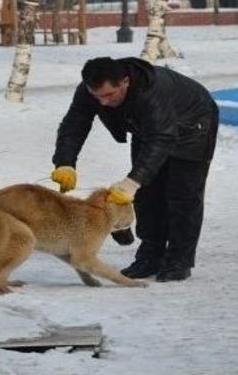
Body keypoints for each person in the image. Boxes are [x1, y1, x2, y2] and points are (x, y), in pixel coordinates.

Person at [51, 57, 219, 282]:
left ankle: (179, 259)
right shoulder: (90, 89)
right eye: (97, 96)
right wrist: (65, 162)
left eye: (109, 95)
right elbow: (75, 123)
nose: (102, 102)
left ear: (125, 82)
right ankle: (150, 255)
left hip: (193, 126)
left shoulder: (152, 92)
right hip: (148, 128)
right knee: (146, 194)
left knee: (182, 195)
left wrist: (133, 181)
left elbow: (162, 137)